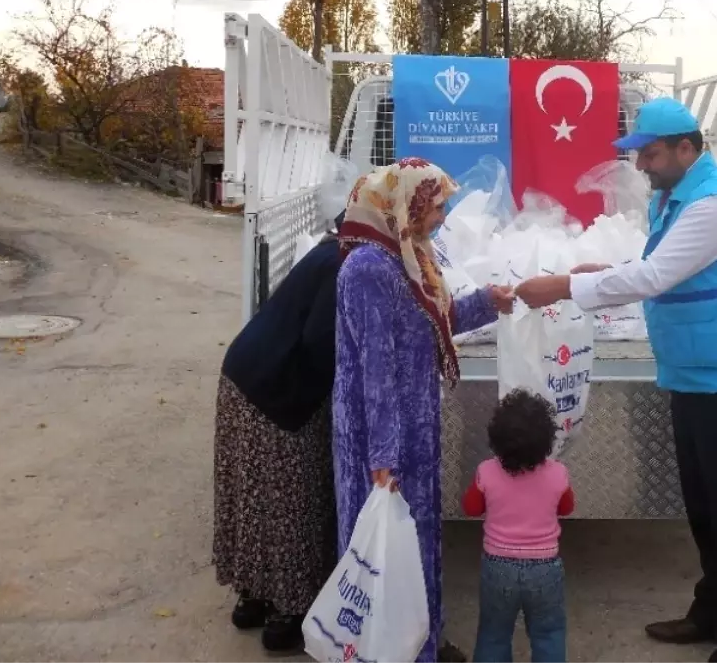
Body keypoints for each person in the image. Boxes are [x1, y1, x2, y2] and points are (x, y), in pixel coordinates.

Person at [514, 97, 717, 663]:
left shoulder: (716, 204)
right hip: (698, 373)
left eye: (652, 154)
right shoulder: (676, 196)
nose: (641, 165)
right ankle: (712, 611)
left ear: (688, 148)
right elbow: (662, 266)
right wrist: (605, 274)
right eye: (639, 154)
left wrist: (565, 286)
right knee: (705, 510)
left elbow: (659, 274)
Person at [334, 158, 515, 663]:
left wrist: (487, 302)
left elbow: (431, 322)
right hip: (379, 438)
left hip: (413, 425)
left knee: (415, 546)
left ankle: (422, 644)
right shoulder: (368, 269)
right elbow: (375, 371)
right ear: (403, 205)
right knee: (386, 555)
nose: (442, 216)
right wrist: (384, 459)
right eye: (435, 206)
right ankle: (388, 652)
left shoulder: (407, 255)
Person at [212, 213, 345, 653]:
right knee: (292, 501)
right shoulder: (347, 262)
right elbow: (319, 340)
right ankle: (287, 618)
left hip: (243, 375)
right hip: (277, 389)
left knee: (252, 496)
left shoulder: (328, 249)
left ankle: (252, 598)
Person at [462, 388, 574, 663]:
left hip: (498, 566)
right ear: (547, 438)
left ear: (496, 437)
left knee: (493, 633)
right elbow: (567, 508)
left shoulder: (486, 471)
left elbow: (471, 508)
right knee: (549, 632)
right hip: (545, 568)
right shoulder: (558, 473)